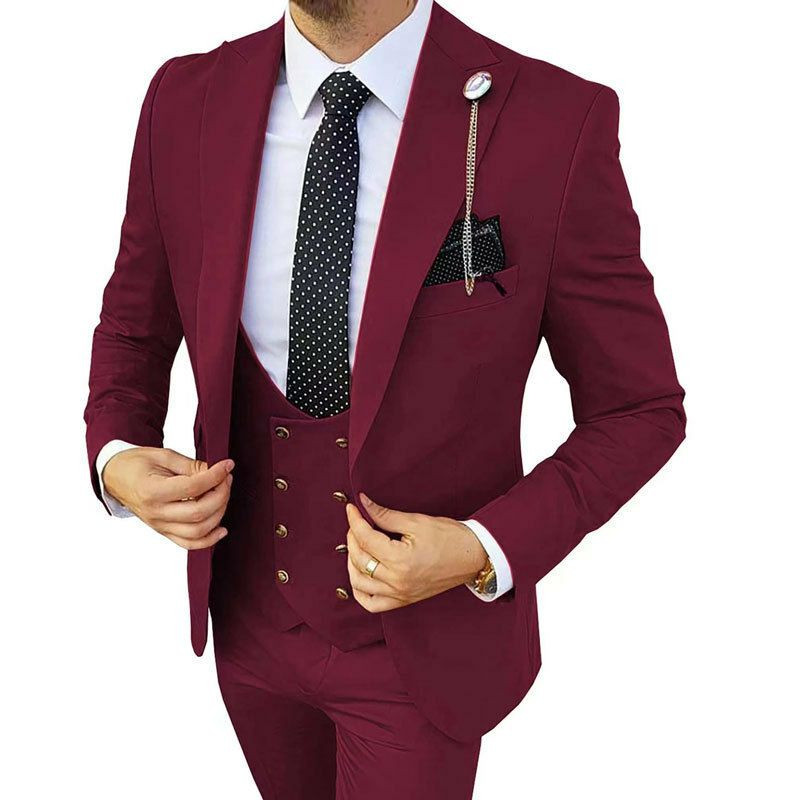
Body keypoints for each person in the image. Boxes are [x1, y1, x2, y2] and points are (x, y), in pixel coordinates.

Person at [85, 0, 686, 796]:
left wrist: (482, 547)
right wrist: (117, 456)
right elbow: (133, 326)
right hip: (248, 627)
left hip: (423, 649)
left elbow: (639, 408)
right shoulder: (185, 99)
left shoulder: (553, 120)